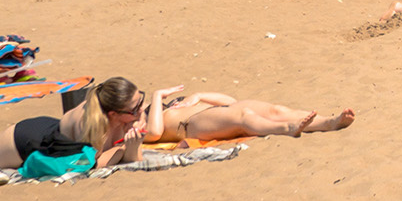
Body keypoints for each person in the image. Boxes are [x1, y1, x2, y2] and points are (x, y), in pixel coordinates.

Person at [0, 77, 147, 171]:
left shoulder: (122, 118)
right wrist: (123, 148)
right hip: (26, 141)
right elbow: (93, 165)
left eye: (141, 102)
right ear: (114, 114)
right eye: (135, 109)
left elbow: (133, 158)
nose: (141, 111)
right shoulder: (93, 125)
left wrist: (131, 145)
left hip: (50, 129)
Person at [142, 86, 354, 142]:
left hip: (215, 111)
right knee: (244, 116)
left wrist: (199, 94)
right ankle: (286, 129)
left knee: (276, 110)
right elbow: (153, 133)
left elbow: (229, 101)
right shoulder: (146, 121)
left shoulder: (177, 105)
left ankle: (329, 122)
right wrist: (157, 97)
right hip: (193, 124)